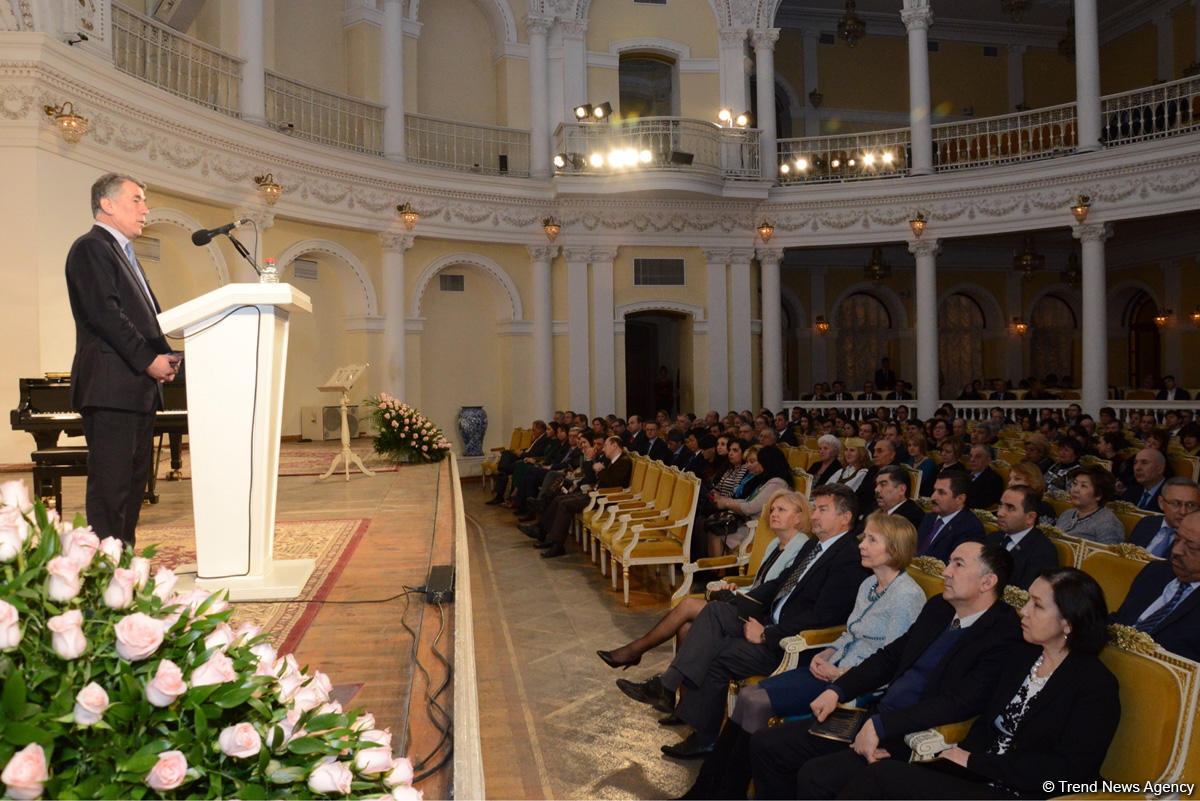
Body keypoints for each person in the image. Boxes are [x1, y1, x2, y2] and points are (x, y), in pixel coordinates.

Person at [750, 542, 1021, 799]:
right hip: (876, 715)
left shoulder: (1002, 632)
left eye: (958, 565)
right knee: (768, 745)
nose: (946, 571)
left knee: (816, 776)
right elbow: (890, 657)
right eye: (949, 562)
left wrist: (882, 726)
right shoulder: (940, 607)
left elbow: (959, 703)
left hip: (911, 735)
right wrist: (838, 689)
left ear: (987, 582)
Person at [683, 511, 925, 798]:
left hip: (854, 688)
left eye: (872, 539)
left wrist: (840, 675)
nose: (861, 543)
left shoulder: (907, 597)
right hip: (830, 669)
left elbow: (891, 662)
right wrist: (826, 653)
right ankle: (710, 788)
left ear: (894, 549)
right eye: (864, 537)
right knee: (748, 698)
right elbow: (849, 634)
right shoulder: (869, 584)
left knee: (757, 703)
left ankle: (723, 791)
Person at [617, 485, 867, 758]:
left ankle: (693, 721)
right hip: (767, 620)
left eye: (822, 509)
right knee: (713, 612)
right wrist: (735, 601)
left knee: (716, 653)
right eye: (815, 507)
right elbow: (776, 585)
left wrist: (766, 635)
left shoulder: (848, 556)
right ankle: (670, 691)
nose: (815, 515)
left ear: (845, 517)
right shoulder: (814, 546)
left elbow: (824, 617)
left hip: (790, 643)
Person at [835, 568, 1119, 800]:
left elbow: (1067, 770)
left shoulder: (1095, 686)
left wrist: (974, 763)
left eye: (1037, 605)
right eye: (1027, 601)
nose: (1024, 611)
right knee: (877, 777)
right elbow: (985, 723)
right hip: (981, 775)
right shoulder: (1023, 655)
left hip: (1027, 791)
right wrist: (954, 760)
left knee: (881, 779)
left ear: (1068, 624)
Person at [66, 173, 180, 547]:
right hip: (112, 387)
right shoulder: (91, 248)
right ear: (107, 204)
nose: (145, 209)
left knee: (132, 490)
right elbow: (107, 315)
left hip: (135, 389)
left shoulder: (124, 254)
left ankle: (122, 568)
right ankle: (103, 574)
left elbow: (144, 317)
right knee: (111, 490)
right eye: (137, 200)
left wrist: (166, 353)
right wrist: (150, 360)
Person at [597, 491, 811, 671]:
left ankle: (635, 651)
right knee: (685, 628)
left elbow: (776, 591)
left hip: (761, 615)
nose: (774, 514)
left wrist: (740, 593)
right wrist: (737, 586)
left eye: (781, 510)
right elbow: (760, 583)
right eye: (772, 509)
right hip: (748, 600)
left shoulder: (802, 547)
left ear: (799, 518)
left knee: (689, 604)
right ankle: (674, 693)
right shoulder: (776, 544)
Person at [1110, 509, 1200, 661]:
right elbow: (1121, 619)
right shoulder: (1156, 572)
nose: (1176, 551)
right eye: (1177, 540)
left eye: (1190, 547)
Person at [522, 436, 631, 558]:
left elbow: (613, 483)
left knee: (564, 503)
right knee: (559, 499)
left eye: (605, 445)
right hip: (596, 494)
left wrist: (599, 471)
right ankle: (548, 536)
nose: (604, 449)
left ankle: (557, 544)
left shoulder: (624, 461)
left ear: (614, 445)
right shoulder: (613, 460)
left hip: (604, 499)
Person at [706, 446, 793, 558]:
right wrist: (727, 500)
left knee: (716, 533)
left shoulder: (777, 483)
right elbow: (750, 500)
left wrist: (726, 504)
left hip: (761, 529)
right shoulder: (770, 480)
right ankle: (718, 570)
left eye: (761, 462)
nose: (759, 466)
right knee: (714, 528)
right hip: (751, 522)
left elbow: (750, 508)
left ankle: (717, 572)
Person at [989, 486, 1060, 589]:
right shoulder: (993, 537)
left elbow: (1025, 596)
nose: (1000, 513)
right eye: (1001, 505)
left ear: (1030, 518)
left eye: (1010, 508)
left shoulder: (1043, 552)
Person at [915, 471, 987, 562]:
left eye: (941, 493)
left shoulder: (971, 529)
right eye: (934, 491)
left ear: (960, 499)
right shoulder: (929, 518)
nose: (933, 497)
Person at [1128, 477, 1200, 557]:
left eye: (1191, 505)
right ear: (1161, 503)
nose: (1183, 512)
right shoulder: (1146, 523)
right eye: (1176, 503)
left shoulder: (1196, 539)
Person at [1056, 465, 1125, 545]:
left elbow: (1107, 556)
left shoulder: (1108, 524)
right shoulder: (1067, 514)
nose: (1075, 490)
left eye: (1083, 486)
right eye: (1075, 484)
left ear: (1099, 495)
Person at [965, 444, 1004, 510]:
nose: (972, 460)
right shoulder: (963, 474)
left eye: (978, 457)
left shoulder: (994, 480)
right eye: (971, 456)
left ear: (988, 460)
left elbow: (984, 504)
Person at [904, 434, 937, 498]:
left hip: (924, 496)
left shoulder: (929, 462)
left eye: (915, 445)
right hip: (910, 493)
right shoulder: (910, 460)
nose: (911, 448)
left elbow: (919, 482)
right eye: (909, 445)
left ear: (922, 446)